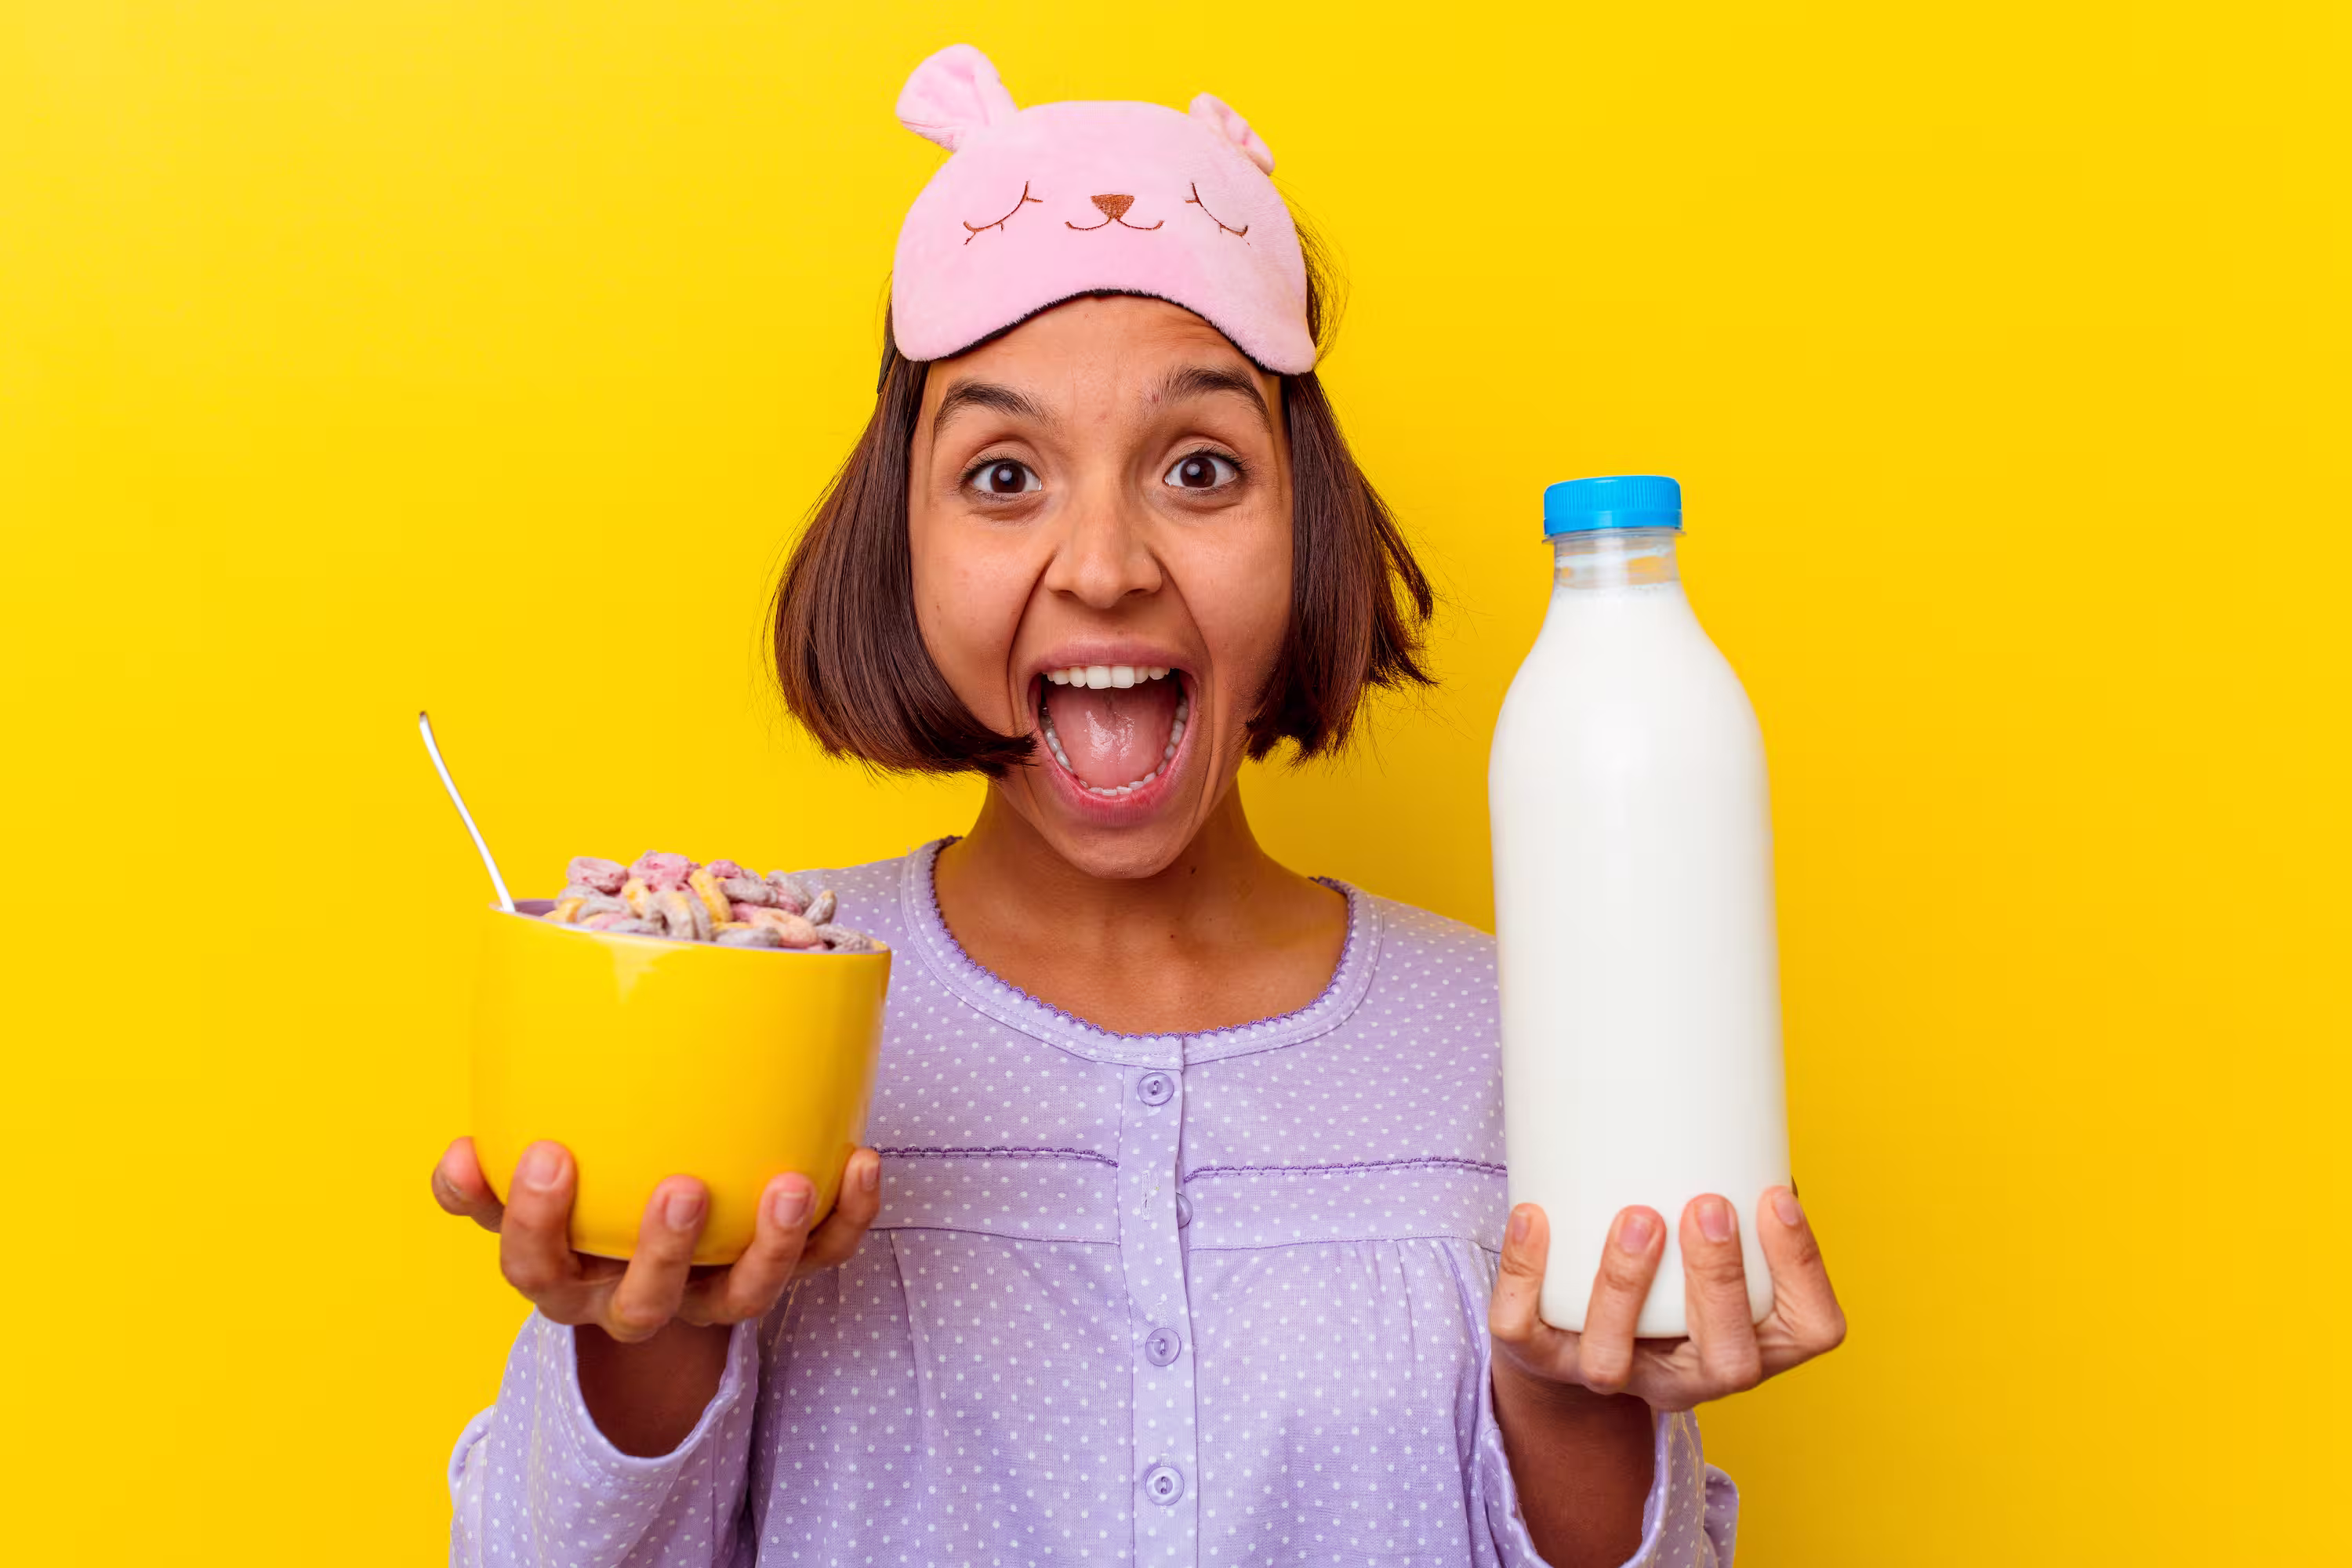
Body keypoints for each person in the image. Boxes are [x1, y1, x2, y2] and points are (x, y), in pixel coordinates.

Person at [433, 45, 1846, 1568]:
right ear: (894, 543)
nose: (1104, 562)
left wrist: (1577, 1421)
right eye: (1001, 477)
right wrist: (644, 1344)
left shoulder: (1526, 1046)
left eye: (1196, 465)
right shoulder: (744, 1016)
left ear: (1308, 533)